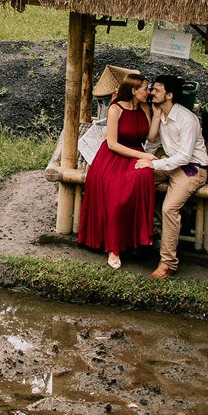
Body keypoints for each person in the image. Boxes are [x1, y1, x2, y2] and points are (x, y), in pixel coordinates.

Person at [78, 66, 156, 269]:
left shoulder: (143, 108)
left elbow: (150, 136)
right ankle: (114, 249)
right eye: (145, 89)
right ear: (133, 91)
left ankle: (138, 238)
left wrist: (153, 110)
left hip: (134, 154)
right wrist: (144, 155)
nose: (148, 92)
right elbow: (112, 144)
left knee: (145, 175)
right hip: (113, 157)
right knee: (118, 196)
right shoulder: (116, 109)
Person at [144, 72, 208, 281]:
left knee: (169, 208)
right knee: (136, 181)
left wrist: (154, 163)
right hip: (170, 163)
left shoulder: (186, 119)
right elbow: (152, 143)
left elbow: (184, 157)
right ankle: (144, 235)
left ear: (170, 95)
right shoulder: (161, 114)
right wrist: (143, 158)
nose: (152, 92)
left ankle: (168, 263)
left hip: (192, 168)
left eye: (157, 89)